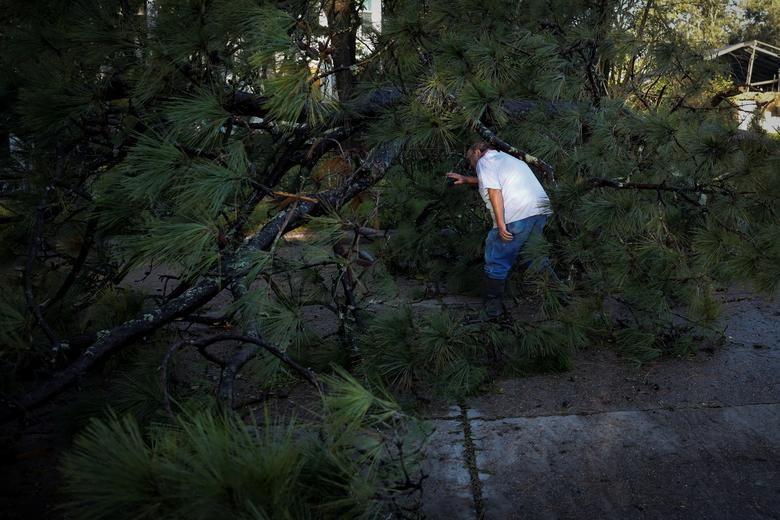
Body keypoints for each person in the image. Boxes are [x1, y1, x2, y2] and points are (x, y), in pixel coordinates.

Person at [446, 141, 552, 318]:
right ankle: (561, 298)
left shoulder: (484, 161)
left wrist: (501, 224)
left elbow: (495, 191)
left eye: (470, 157)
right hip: (539, 212)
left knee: (497, 260)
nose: (470, 163)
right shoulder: (508, 159)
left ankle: (491, 313)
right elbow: (496, 180)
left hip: (516, 215)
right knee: (535, 257)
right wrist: (466, 179)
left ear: (478, 151)